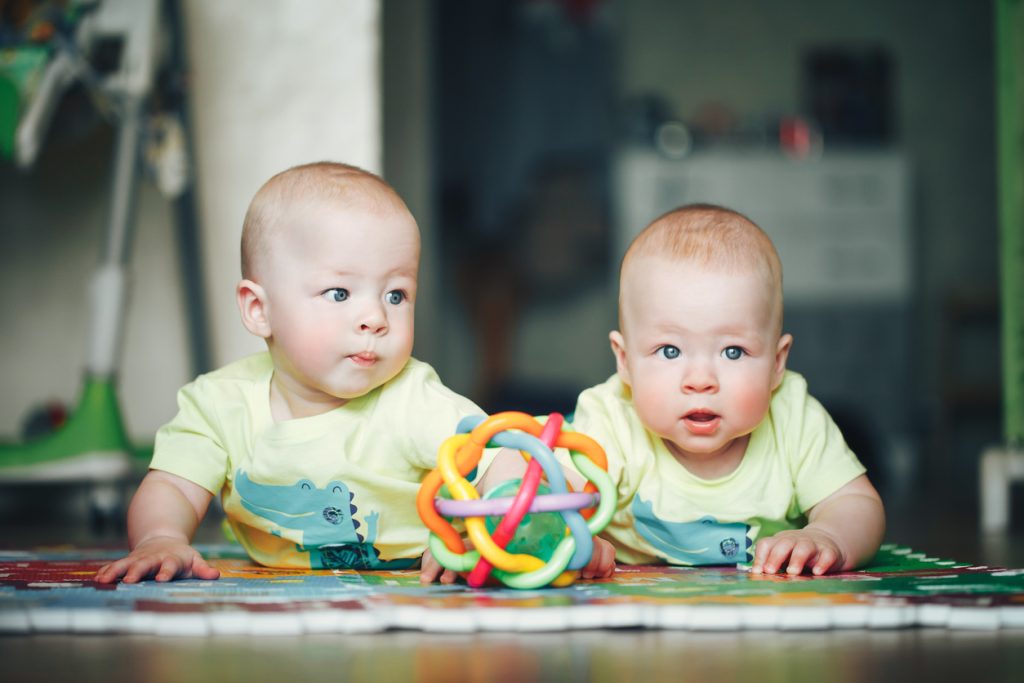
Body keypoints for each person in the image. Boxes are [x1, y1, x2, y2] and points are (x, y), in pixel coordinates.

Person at [96, 161, 486, 583]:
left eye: (396, 294)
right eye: (339, 293)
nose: (375, 317)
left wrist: (480, 539)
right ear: (259, 310)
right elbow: (173, 486)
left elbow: (503, 460)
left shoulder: (412, 397)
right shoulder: (221, 403)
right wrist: (161, 536)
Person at [571, 203, 885, 576]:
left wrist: (827, 535)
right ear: (625, 361)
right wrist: (570, 538)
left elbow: (856, 502)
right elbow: (549, 497)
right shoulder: (610, 421)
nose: (701, 380)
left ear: (776, 363)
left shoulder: (793, 418)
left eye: (732, 352)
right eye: (669, 351)